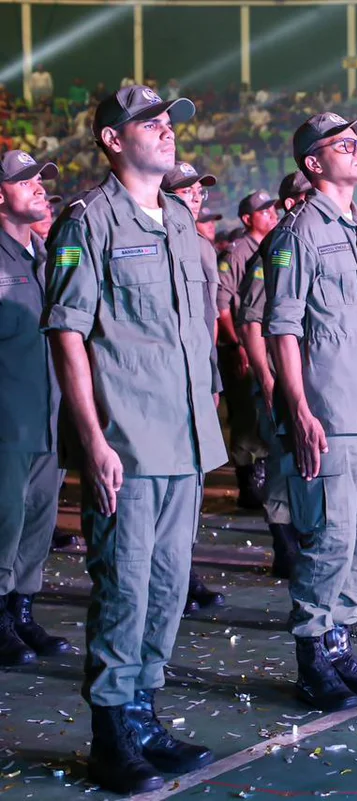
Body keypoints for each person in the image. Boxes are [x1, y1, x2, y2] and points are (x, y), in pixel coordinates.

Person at [43, 85, 225, 794]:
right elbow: (68, 334)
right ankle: (111, 729)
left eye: (169, 120)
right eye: (148, 122)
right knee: (123, 584)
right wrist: (93, 438)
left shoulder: (179, 218)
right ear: (114, 140)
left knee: (168, 585)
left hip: (183, 438)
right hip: (128, 437)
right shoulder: (88, 220)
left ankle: (145, 712)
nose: (166, 130)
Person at [264, 112, 357, 712]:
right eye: (342, 144)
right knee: (330, 540)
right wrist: (297, 405)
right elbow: (283, 327)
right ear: (313, 164)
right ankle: (313, 654)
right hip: (329, 411)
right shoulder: (298, 232)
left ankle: (340, 642)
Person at [0, 150, 68, 666]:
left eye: (40, 178)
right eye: (25, 180)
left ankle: (22, 613)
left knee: (39, 522)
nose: (39, 186)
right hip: (7, 420)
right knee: (4, 521)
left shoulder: (45, 255)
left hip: (49, 417)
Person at [235, 171, 310, 580]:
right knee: (283, 468)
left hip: (308, 378)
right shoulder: (275, 248)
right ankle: (286, 548)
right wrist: (266, 379)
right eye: (305, 196)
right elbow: (250, 321)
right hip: (281, 379)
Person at [161, 160, 226, 616]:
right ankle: (165, 577)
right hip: (163, 380)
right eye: (186, 189)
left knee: (193, 486)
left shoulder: (202, 246)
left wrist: (213, 374)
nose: (196, 195)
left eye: (200, 188)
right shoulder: (155, 239)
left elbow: (209, 320)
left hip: (199, 375)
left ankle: (181, 571)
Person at [219, 189, 279, 508]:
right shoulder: (239, 252)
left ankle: (260, 480)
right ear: (247, 219)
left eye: (272, 210)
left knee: (259, 414)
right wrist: (239, 343)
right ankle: (248, 486)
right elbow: (223, 304)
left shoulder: (269, 247)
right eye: (264, 211)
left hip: (260, 344)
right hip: (243, 344)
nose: (272, 215)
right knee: (245, 416)